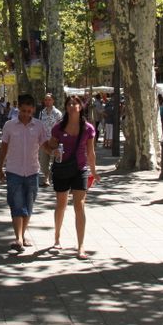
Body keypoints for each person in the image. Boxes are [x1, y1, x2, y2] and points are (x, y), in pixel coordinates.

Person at [0, 94, 50, 254]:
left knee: (28, 205)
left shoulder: (39, 126)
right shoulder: (9, 125)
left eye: (29, 111)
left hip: (33, 171)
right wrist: (0, 168)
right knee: (16, 205)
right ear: (18, 108)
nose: (26, 114)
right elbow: (3, 148)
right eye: (23, 110)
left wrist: (55, 151)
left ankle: (22, 235)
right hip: (14, 171)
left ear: (33, 109)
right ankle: (18, 238)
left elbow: (45, 146)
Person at [47, 95, 98, 259]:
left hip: (80, 169)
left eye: (75, 103)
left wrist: (94, 171)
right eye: (69, 103)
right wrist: (53, 149)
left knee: (79, 206)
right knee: (61, 204)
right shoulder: (58, 128)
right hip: (62, 169)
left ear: (81, 106)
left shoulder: (88, 128)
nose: (72, 106)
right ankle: (56, 238)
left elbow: (90, 152)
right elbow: (50, 146)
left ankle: (81, 246)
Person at [37, 94, 63, 186]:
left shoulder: (58, 113)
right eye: (46, 100)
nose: (47, 102)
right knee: (43, 162)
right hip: (43, 141)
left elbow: (61, 128)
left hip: (54, 140)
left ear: (53, 101)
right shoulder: (41, 113)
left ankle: (48, 178)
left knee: (55, 161)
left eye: (49, 100)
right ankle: (47, 176)